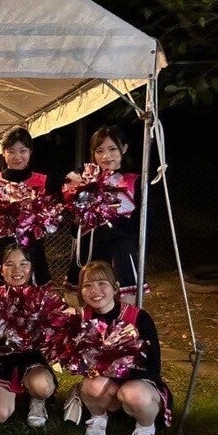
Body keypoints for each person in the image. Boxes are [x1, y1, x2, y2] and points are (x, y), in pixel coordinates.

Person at [77, 261, 172, 435]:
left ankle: (146, 428)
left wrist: (119, 368)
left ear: (115, 287)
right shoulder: (82, 318)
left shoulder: (138, 317)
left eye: (102, 283)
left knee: (132, 393)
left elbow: (153, 367)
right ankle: (98, 418)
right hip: (107, 385)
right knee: (91, 385)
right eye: (87, 285)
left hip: (139, 382)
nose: (95, 290)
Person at [64, 126, 146, 305]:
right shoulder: (84, 181)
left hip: (120, 254)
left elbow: (142, 226)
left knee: (123, 308)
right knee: (85, 305)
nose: (106, 156)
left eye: (112, 149)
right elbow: (75, 229)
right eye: (99, 151)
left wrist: (113, 228)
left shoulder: (134, 181)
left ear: (124, 148)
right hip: (88, 251)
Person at [0, 243, 57, 427]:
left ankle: (37, 399)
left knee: (42, 386)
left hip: (32, 360)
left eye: (23, 264)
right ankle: (13, 393)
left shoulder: (42, 298)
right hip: (1, 360)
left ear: (32, 268)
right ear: (1, 269)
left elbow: (53, 341)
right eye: (10, 264)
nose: (17, 270)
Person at [0, 127, 54, 287]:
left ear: (30, 152)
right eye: (11, 151)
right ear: (3, 153)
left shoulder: (43, 182)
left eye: (23, 151)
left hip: (30, 252)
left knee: (32, 299)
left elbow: (51, 220)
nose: (17, 157)